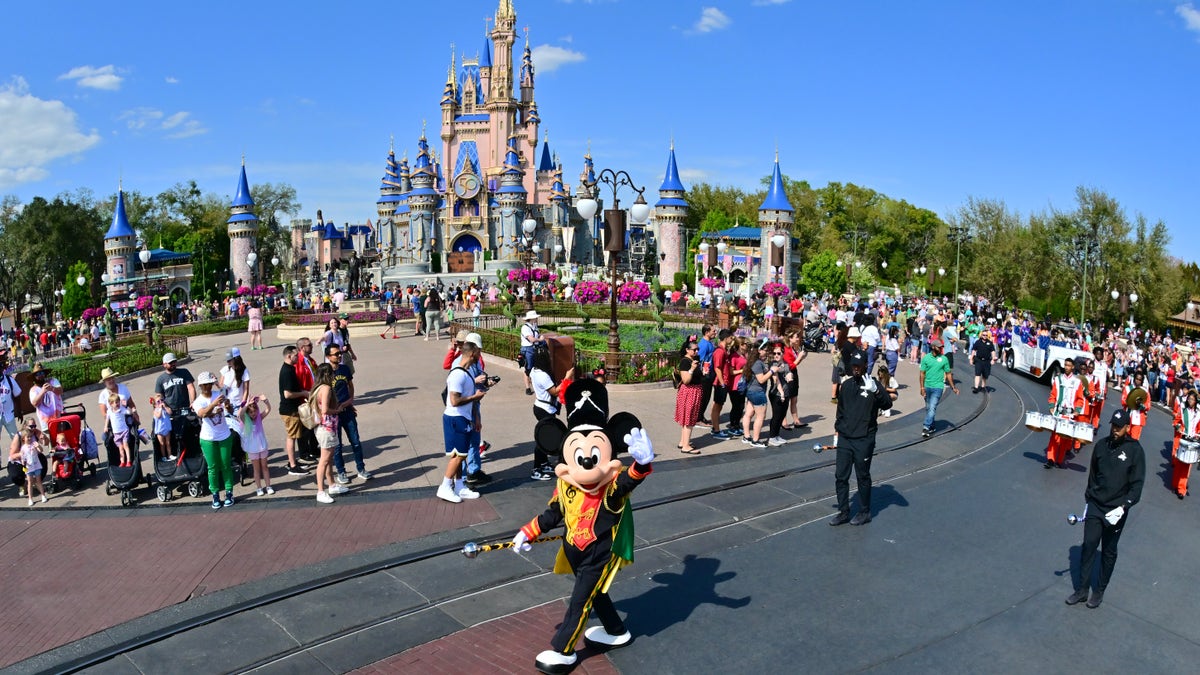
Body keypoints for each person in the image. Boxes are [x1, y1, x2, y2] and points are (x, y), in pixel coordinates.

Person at [1065, 409, 1145, 609]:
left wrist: (1124, 507)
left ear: (1127, 428)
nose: (1115, 430)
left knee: (1109, 550)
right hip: (1096, 504)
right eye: (1113, 425)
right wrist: (1088, 499)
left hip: (1116, 510)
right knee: (1089, 544)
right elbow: (1093, 475)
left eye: (1120, 427)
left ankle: (1099, 591)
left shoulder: (1135, 451)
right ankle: (1082, 590)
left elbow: (1136, 485)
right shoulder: (1101, 446)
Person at [830, 350, 894, 526]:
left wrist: (877, 392)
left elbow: (888, 403)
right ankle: (844, 511)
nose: (856, 369)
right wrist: (837, 434)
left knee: (862, 476)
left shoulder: (873, 384)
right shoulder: (847, 385)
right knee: (840, 476)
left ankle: (864, 511)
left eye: (859, 366)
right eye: (854, 366)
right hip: (845, 438)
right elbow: (840, 412)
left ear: (866, 366)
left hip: (864, 439)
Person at [439, 336, 486, 503]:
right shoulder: (457, 375)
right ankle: (445, 486)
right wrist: (475, 396)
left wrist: (475, 416)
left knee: (461, 454)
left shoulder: (466, 373)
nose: (480, 356)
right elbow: (454, 400)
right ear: (472, 353)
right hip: (455, 418)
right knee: (458, 456)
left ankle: (459, 485)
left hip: (463, 417)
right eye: (478, 353)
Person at [327, 343, 372, 485]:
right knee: (338, 445)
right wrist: (334, 408)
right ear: (328, 357)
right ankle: (341, 471)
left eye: (339, 353)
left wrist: (350, 401)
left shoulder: (344, 369)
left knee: (356, 442)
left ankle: (361, 469)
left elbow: (350, 386)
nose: (339, 355)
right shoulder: (325, 373)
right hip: (334, 414)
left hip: (347, 411)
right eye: (336, 354)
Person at [193, 371, 236, 509]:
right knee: (212, 468)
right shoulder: (198, 401)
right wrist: (213, 405)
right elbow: (202, 414)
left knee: (225, 465)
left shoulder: (219, 395)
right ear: (200, 386)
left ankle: (229, 492)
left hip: (224, 435)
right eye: (205, 385)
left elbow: (229, 410)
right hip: (208, 438)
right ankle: (215, 494)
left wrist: (228, 406)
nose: (208, 387)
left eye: (210, 384)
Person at [530, 343, 573, 479]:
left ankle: (543, 463)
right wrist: (567, 377)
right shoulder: (543, 376)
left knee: (546, 435)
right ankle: (536, 469)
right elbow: (554, 391)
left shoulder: (534, 371)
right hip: (545, 409)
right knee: (543, 437)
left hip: (541, 406)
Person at [277, 345, 310, 476]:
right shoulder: (287, 371)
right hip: (289, 410)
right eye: (296, 355)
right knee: (291, 437)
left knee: (294, 436)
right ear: (289, 356)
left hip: (291, 409)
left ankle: (293, 461)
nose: (298, 357)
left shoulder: (289, 368)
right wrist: (303, 393)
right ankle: (292, 465)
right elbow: (287, 394)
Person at [311, 363, 341, 503]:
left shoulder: (316, 388)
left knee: (328, 459)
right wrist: (337, 411)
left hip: (322, 428)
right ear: (328, 375)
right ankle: (320, 491)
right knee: (324, 460)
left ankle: (332, 484)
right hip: (327, 427)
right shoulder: (327, 388)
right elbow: (325, 410)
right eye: (332, 374)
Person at [919, 338, 958, 437]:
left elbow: (948, 373)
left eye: (941, 347)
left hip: (938, 387)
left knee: (932, 407)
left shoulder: (944, 359)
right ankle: (932, 425)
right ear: (933, 347)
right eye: (939, 347)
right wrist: (922, 387)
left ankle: (926, 427)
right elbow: (922, 373)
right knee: (928, 408)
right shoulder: (926, 358)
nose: (941, 349)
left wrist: (953, 387)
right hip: (927, 386)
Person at [674, 337, 704, 455]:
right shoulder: (685, 362)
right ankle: (686, 446)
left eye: (698, 349)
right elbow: (686, 380)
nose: (696, 352)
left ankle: (683, 442)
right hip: (689, 392)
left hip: (694, 391)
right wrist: (692, 369)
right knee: (689, 420)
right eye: (694, 350)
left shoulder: (693, 359)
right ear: (687, 350)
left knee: (688, 418)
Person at [240, 394, 274, 496]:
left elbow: (268, 409)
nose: (253, 414)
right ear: (247, 413)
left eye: (255, 411)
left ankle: (268, 486)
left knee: (265, 467)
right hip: (252, 449)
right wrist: (246, 405)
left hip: (262, 446)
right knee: (256, 469)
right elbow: (241, 414)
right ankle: (259, 488)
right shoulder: (245, 420)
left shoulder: (259, 417)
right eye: (250, 412)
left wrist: (266, 401)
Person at [1170, 389, 1199, 499]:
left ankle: (1181, 489)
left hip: (1192, 441)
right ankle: (1175, 484)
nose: (1190, 401)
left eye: (1192, 399)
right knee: (1179, 463)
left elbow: (1199, 427)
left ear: (1195, 401)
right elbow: (1176, 421)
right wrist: (1178, 426)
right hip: (1182, 438)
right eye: (1189, 399)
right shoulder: (1183, 409)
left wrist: (1198, 434)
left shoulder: (1198, 413)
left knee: (1187, 466)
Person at [154, 352, 196, 428]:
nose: (173, 364)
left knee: (188, 429)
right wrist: (165, 407)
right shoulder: (161, 379)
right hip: (170, 410)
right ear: (164, 364)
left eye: (174, 362)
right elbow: (158, 395)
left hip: (185, 408)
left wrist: (193, 402)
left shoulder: (184, 372)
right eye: (170, 363)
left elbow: (191, 388)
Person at [741, 342, 770, 448]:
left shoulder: (753, 361)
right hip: (757, 392)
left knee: (748, 413)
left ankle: (747, 436)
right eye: (765, 350)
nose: (767, 352)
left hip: (750, 391)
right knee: (761, 416)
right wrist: (771, 371)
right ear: (759, 350)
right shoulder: (757, 363)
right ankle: (755, 440)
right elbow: (761, 379)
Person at [709, 329, 733, 438]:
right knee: (717, 406)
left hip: (723, 382)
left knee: (719, 406)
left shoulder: (724, 350)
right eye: (731, 337)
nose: (732, 339)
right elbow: (717, 368)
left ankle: (715, 428)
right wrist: (722, 383)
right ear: (726, 338)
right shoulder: (719, 351)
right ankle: (716, 430)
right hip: (720, 383)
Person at [17, 424, 47, 505]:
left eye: (30, 437)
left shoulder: (34, 444)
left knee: (38, 481)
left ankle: (43, 495)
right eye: (28, 437)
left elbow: (41, 451)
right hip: (28, 467)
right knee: (30, 482)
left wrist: (38, 446)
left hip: (36, 465)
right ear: (23, 439)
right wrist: (23, 462)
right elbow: (22, 457)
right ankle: (30, 498)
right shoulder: (23, 448)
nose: (30, 438)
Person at [29, 363, 63, 433]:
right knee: (51, 442)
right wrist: (42, 392)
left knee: (62, 441)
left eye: (41, 373)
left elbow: (60, 391)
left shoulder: (53, 381)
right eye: (37, 374)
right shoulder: (33, 390)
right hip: (46, 422)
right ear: (34, 377)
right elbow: (34, 403)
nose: (40, 375)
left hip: (60, 417)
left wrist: (52, 388)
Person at [519, 310, 545, 395]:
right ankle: (528, 387)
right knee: (528, 369)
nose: (537, 319)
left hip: (535, 348)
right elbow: (531, 339)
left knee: (537, 367)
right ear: (531, 318)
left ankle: (536, 385)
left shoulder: (534, 326)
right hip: (528, 349)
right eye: (535, 318)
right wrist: (540, 339)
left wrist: (540, 337)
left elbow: (537, 335)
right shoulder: (525, 327)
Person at [105, 392, 133, 467]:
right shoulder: (109, 411)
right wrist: (105, 427)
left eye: (117, 402)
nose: (116, 404)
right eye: (114, 402)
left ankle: (129, 461)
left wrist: (126, 406)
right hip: (116, 433)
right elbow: (107, 419)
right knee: (120, 448)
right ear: (111, 404)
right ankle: (122, 461)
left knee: (125, 445)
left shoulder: (122, 409)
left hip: (124, 430)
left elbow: (129, 412)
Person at [0, 355, 23, 446]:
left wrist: (20, 411)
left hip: (9, 414)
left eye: (0, 367)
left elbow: (17, 396)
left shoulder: (9, 380)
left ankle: (19, 457)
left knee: (16, 438)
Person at [151, 394, 174, 461]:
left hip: (167, 428)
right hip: (160, 430)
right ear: (155, 404)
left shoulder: (166, 409)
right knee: (162, 443)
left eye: (162, 400)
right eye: (158, 401)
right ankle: (163, 456)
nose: (161, 402)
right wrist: (160, 408)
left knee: (168, 442)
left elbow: (170, 412)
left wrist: (165, 407)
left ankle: (170, 455)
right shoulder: (156, 411)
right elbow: (158, 416)